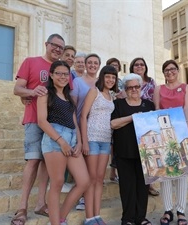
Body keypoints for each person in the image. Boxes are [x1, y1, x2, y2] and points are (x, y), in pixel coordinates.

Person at [11, 33, 65, 225]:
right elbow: (18, 88)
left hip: (54, 123)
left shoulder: (61, 69)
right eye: (55, 45)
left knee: (46, 165)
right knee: (33, 160)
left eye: (61, 47)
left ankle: (41, 203)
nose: (57, 49)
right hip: (34, 119)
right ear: (46, 44)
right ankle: (22, 207)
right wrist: (31, 92)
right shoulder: (31, 62)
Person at [37, 60, 90, 225]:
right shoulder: (45, 92)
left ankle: (60, 218)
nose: (62, 76)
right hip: (55, 140)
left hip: (73, 139)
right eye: (58, 73)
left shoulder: (68, 96)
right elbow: (41, 121)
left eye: (65, 74)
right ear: (51, 75)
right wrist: (61, 142)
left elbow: (74, 121)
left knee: (83, 181)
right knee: (58, 182)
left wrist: (80, 142)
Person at [153, 60, 188, 225]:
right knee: (166, 174)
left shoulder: (186, 88)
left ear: (177, 70)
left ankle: (181, 210)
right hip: (164, 135)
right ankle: (168, 210)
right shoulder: (158, 89)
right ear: (163, 73)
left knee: (182, 174)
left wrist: (182, 132)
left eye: (172, 69)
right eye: (166, 70)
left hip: (183, 133)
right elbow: (156, 110)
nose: (170, 72)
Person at [111, 73, 154, 225]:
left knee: (143, 187)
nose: (134, 90)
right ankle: (127, 219)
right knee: (127, 187)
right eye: (130, 87)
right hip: (124, 151)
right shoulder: (118, 104)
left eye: (136, 86)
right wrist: (133, 117)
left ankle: (141, 218)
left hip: (145, 153)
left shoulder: (149, 105)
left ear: (141, 87)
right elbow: (113, 124)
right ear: (125, 89)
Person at [80, 65, 118, 225]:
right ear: (102, 77)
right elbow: (83, 116)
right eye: (108, 76)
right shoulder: (94, 91)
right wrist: (84, 141)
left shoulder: (111, 96)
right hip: (92, 139)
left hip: (105, 141)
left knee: (99, 179)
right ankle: (89, 217)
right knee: (91, 178)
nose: (110, 80)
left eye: (113, 77)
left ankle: (97, 215)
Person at [71, 53, 101, 211]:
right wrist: (78, 133)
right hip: (81, 125)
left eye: (96, 63)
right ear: (85, 64)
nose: (92, 65)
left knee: (93, 168)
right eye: (90, 62)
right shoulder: (77, 82)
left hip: (97, 129)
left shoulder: (101, 83)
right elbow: (74, 108)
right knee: (84, 165)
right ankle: (82, 197)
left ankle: (90, 198)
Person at [129, 57, 159, 196]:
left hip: (148, 117)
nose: (139, 66)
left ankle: (150, 184)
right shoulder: (129, 81)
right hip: (131, 117)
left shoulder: (151, 82)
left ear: (145, 67)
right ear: (132, 67)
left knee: (149, 151)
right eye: (136, 65)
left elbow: (155, 99)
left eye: (142, 64)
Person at [60, 45, 77, 193]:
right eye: (67, 55)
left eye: (72, 56)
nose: (70, 58)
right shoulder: (59, 73)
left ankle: (64, 180)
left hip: (70, 116)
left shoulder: (73, 76)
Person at [106, 57, 123, 183]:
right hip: (106, 115)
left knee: (116, 143)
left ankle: (115, 171)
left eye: (116, 65)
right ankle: (112, 172)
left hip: (118, 114)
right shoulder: (104, 81)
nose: (115, 67)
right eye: (112, 65)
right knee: (110, 144)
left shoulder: (121, 82)